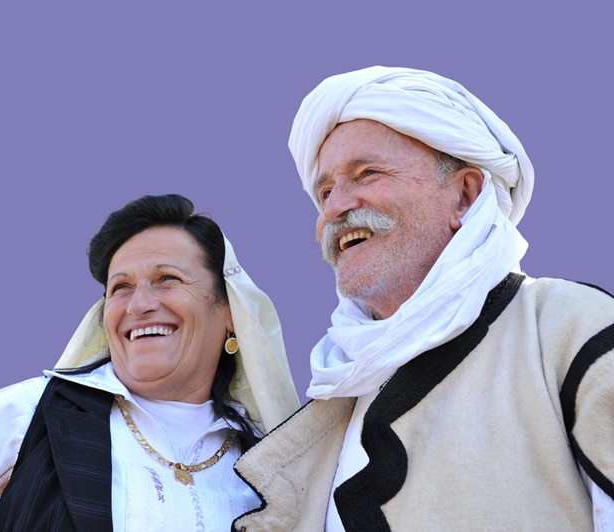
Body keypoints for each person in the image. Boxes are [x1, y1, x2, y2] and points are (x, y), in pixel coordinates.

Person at [231, 66, 614, 531]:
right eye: (326, 190)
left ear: (465, 197)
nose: (333, 208)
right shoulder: (334, 400)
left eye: (367, 173)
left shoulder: (572, 331)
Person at [0, 194, 300, 531]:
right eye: (120, 287)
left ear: (231, 313)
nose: (138, 304)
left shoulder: (268, 465)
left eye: (168, 279)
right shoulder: (32, 418)